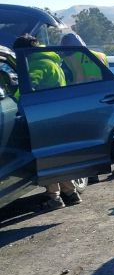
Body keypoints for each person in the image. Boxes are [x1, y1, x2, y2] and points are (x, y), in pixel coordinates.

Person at [12, 33, 81, 210]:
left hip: (44, 117)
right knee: (58, 156)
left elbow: (27, 89)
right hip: (59, 114)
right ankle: (71, 192)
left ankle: (54, 197)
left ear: (24, 51)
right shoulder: (52, 61)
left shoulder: (37, 64)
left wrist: (12, 100)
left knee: (47, 158)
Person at [60, 32, 114, 179]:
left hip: (82, 102)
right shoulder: (100, 55)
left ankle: (93, 173)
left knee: (88, 138)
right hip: (102, 100)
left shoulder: (67, 60)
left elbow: (67, 84)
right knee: (110, 134)